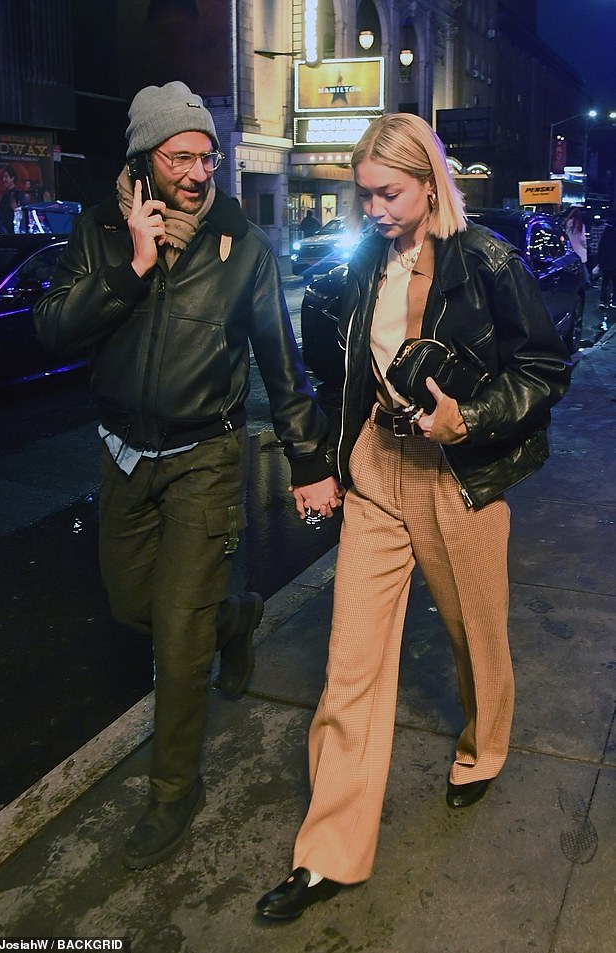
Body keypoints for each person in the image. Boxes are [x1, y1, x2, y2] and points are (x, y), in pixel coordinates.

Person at [256, 113, 571, 921]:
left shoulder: (486, 261)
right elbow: (336, 376)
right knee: (349, 662)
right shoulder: (362, 267)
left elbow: (542, 367)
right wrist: (322, 462)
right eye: (364, 195)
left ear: (431, 184)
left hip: (455, 476)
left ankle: (484, 744)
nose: (375, 210)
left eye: (389, 193)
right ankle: (328, 851)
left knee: (475, 630)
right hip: (378, 472)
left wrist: (468, 420)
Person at [34, 81, 343, 870]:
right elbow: (50, 331)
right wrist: (131, 266)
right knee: (130, 602)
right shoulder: (99, 230)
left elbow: (284, 363)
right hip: (123, 454)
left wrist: (309, 464)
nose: (200, 171)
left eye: (208, 156)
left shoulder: (242, 246)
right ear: (143, 160)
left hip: (206, 456)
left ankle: (174, 790)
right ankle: (234, 618)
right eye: (181, 157)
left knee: (176, 640)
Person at [564, 207, 589, 287]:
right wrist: (585, 246)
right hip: (580, 249)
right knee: (583, 266)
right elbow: (582, 239)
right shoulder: (581, 225)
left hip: (571, 248)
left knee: (572, 268)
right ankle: (586, 282)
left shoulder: (567, 223)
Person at [597, 221, 616, 309]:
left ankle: (603, 301)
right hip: (614, 263)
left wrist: (600, 263)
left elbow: (600, 249)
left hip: (605, 263)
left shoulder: (605, 236)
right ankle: (614, 301)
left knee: (605, 282)